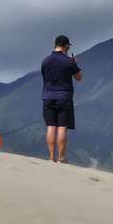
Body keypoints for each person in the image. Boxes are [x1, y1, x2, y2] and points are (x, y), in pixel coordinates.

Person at [41, 35, 82, 163]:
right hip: (63, 97)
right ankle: (61, 157)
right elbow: (79, 78)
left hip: (47, 96)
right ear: (66, 46)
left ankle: (51, 157)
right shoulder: (69, 61)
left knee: (51, 126)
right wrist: (74, 63)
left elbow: (44, 76)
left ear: (55, 45)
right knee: (62, 127)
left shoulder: (45, 61)